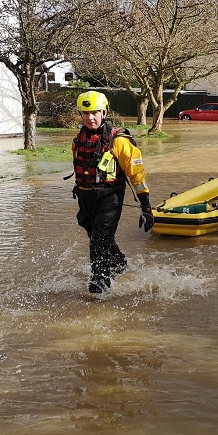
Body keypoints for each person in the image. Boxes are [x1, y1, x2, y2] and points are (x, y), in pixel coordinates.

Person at [71, 91, 154, 294]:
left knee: (99, 242)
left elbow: (137, 176)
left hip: (110, 198)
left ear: (104, 112)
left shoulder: (119, 141)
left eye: (95, 113)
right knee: (99, 238)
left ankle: (99, 284)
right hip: (86, 199)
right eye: (85, 113)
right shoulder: (78, 141)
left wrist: (146, 207)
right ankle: (120, 264)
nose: (90, 118)